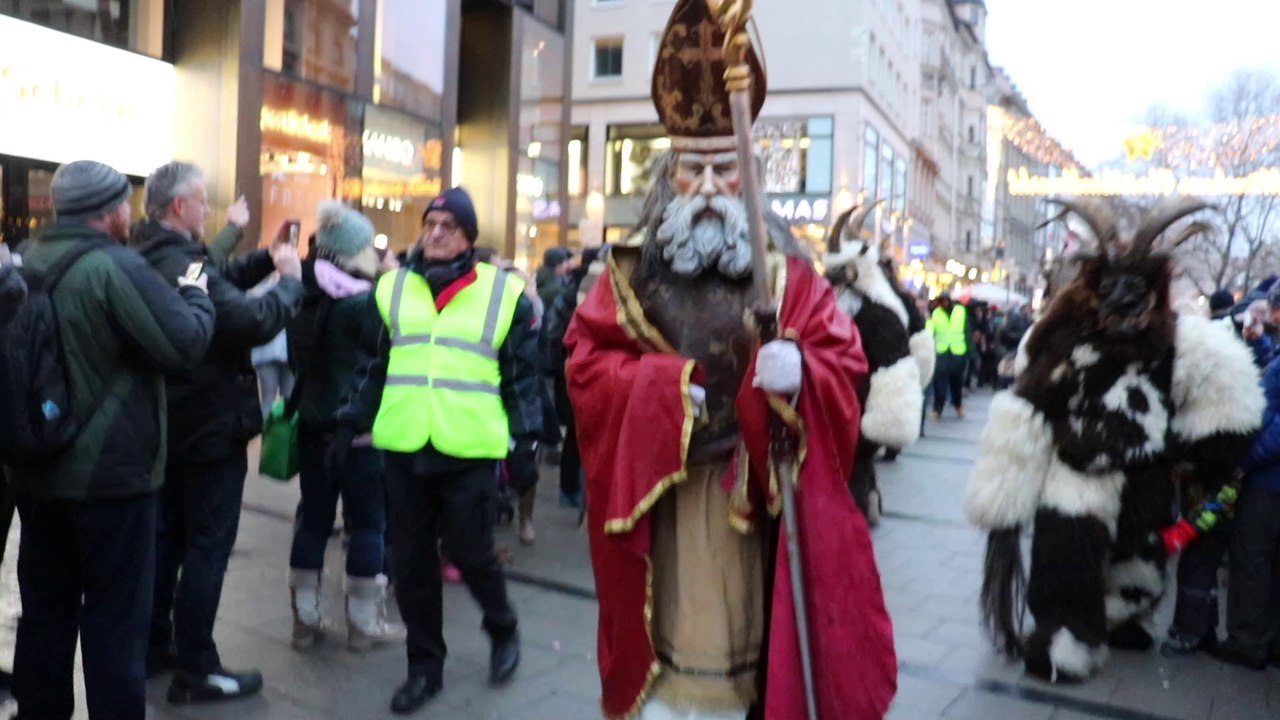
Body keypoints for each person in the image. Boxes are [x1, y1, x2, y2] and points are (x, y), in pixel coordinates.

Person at [565, 2, 896, 716]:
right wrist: (662, 391)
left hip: (757, 495)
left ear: (749, 177)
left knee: (758, 641)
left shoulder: (786, 273)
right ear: (668, 178)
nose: (711, 187)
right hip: (673, 498)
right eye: (694, 169)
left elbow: (845, 363)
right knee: (683, 643)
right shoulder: (627, 275)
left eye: (724, 167)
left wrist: (801, 373)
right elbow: (585, 365)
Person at [966, 198, 1264, 684]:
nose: (1124, 302)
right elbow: (1027, 407)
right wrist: (1003, 493)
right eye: (1112, 288)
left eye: (1136, 289)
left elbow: (1227, 409)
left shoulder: (1178, 342)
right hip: (1075, 476)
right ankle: (1066, 633)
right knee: (1067, 551)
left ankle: (1116, 618)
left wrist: (1196, 454)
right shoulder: (1064, 340)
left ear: (1154, 292)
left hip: (1144, 478)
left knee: (1135, 558)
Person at [8, 160, 216, 719]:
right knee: (114, 629)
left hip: (37, 474)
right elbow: (184, 344)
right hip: (111, 482)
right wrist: (197, 293)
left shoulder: (26, 259)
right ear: (108, 211)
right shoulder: (112, 266)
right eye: (125, 203)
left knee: (45, 616)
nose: (130, 212)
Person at [331, 187, 540, 715]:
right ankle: (425, 668)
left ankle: (503, 627)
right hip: (404, 445)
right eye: (430, 223)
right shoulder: (392, 288)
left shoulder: (502, 293)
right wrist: (349, 419)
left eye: (449, 225)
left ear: (469, 235)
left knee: (471, 553)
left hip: (469, 448)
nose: (437, 232)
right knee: (413, 565)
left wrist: (527, 442)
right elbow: (372, 366)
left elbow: (520, 378)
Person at [132, 161, 304, 702]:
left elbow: (218, 278)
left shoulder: (152, 255)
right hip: (208, 427)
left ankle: (156, 645)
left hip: (172, 426)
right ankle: (198, 666)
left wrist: (265, 260)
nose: (210, 210)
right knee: (206, 546)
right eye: (203, 202)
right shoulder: (181, 260)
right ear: (179, 207)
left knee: (168, 541)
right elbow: (251, 320)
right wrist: (291, 282)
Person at [285, 201, 404, 651]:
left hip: (313, 420)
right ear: (355, 250)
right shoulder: (366, 301)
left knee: (313, 518)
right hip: (358, 427)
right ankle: (363, 622)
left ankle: (305, 619)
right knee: (368, 521)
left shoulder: (305, 293)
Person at [823, 204, 924, 524]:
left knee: (849, 510)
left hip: (856, 434)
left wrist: (865, 437)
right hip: (829, 433)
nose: (833, 288)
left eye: (839, 281)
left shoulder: (880, 319)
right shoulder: (829, 314)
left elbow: (894, 405)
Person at [1211, 283, 1280, 669]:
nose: (1268, 313)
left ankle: (1248, 642)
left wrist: (1246, 460)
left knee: (1253, 559)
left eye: (1272, 307)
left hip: (1269, 482)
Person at [540, 245, 604, 516]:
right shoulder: (589, 289)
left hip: (569, 366)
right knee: (583, 436)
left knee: (576, 437)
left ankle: (572, 492)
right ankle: (577, 494)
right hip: (578, 366)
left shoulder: (571, 287)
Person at [929, 292, 968, 419]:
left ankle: (958, 405)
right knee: (939, 383)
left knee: (956, 382)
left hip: (958, 351)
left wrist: (972, 352)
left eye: (946, 300)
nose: (944, 303)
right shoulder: (936, 313)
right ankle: (937, 409)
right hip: (941, 352)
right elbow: (930, 330)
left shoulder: (960, 311)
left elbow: (967, 330)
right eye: (941, 301)